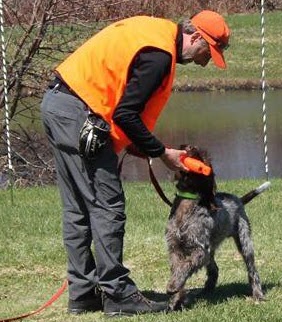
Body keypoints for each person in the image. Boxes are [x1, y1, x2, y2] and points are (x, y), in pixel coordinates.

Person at [41, 10, 230, 316]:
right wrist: (161, 153)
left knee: (77, 208)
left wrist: (154, 149)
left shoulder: (152, 32)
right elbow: (125, 115)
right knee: (108, 206)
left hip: (59, 104)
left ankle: (83, 293)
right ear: (196, 36)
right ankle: (117, 294)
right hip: (78, 112)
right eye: (207, 52)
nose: (203, 61)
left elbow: (120, 108)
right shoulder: (159, 55)